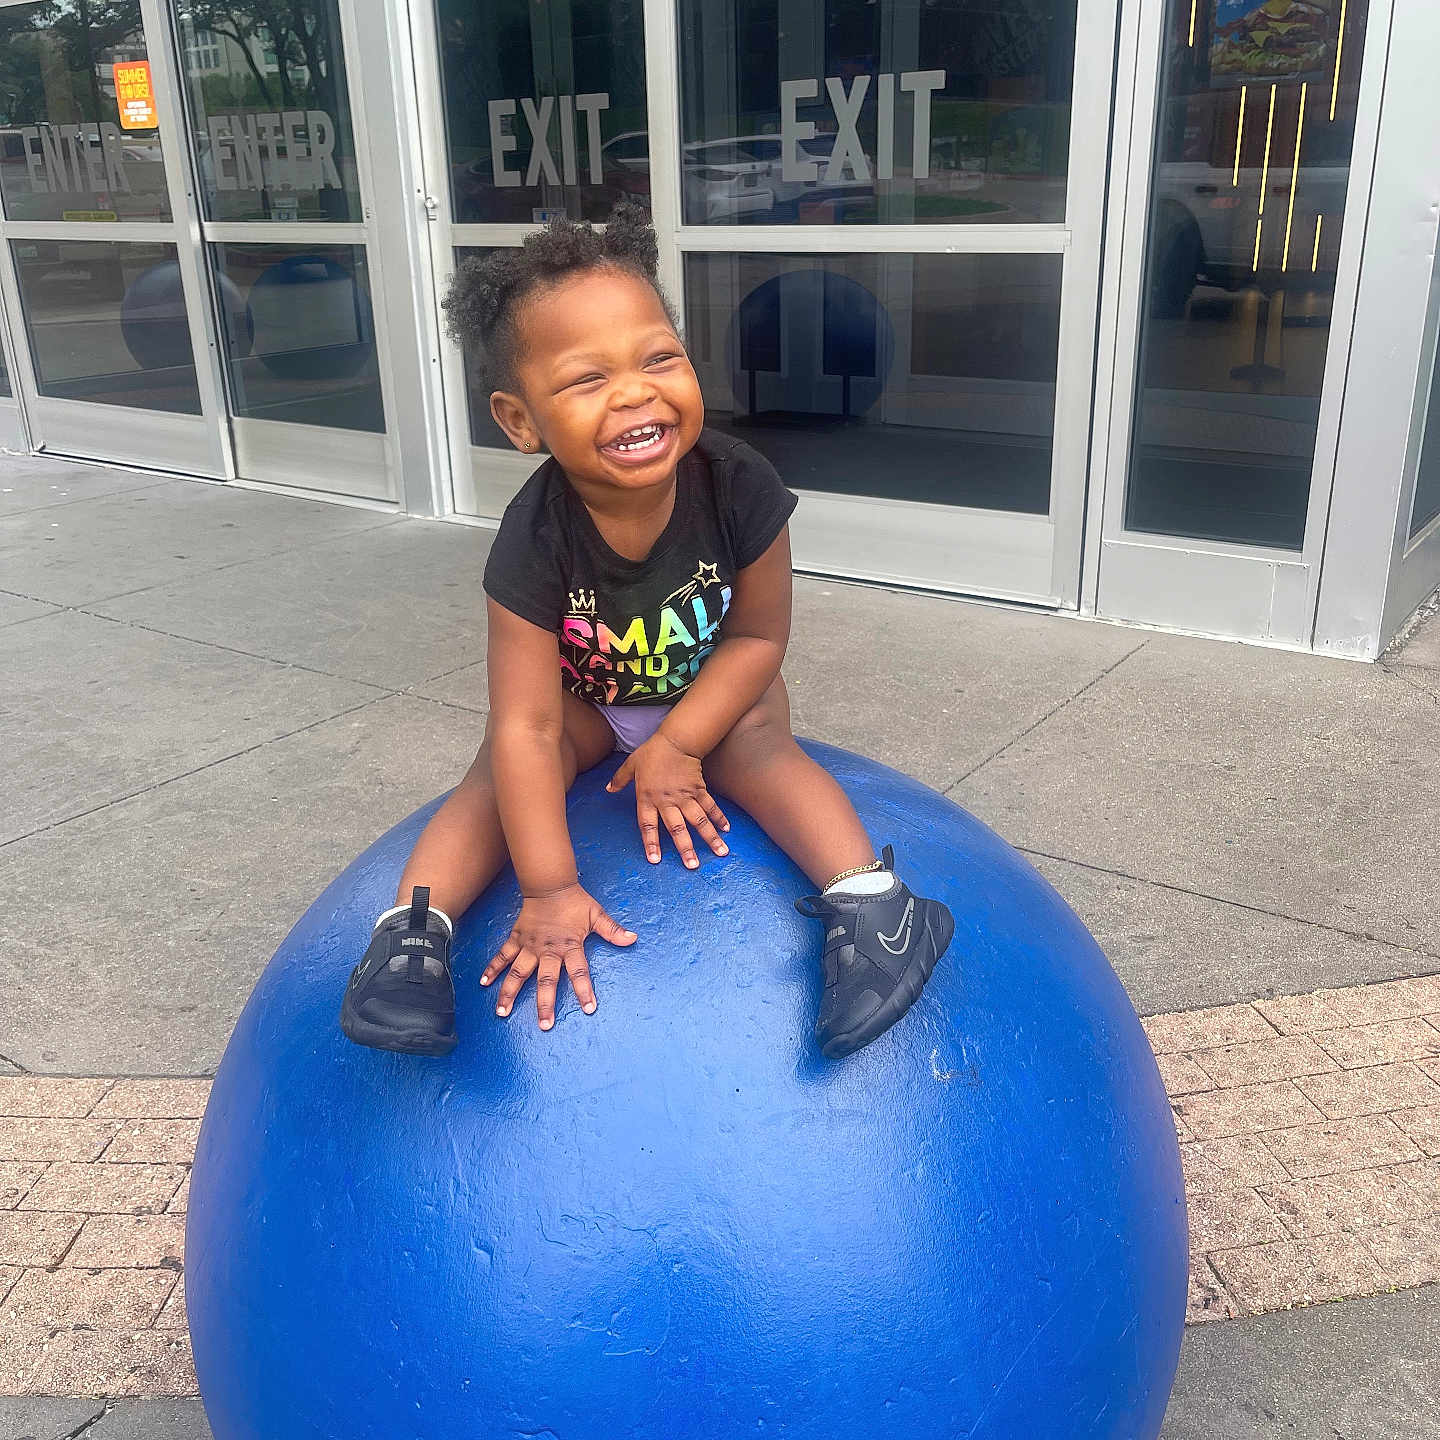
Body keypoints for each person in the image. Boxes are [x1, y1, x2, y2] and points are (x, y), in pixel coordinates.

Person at [339, 203, 953, 1061]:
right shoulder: (534, 538)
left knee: (762, 744)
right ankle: (411, 938)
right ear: (521, 422)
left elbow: (757, 639)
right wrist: (550, 887)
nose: (634, 391)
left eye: (659, 358)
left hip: (716, 688)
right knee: (496, 776)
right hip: (589, 703)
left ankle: (879, 907)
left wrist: (680, 742)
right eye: (586, 380)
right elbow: (526, 723)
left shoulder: (738, 484)